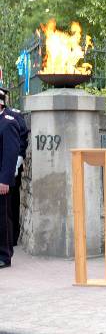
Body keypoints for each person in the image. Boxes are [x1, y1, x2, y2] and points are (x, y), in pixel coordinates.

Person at [0, 87, 29, 246]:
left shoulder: (14, 116)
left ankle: (12, 239)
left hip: (11, 168)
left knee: (10, 206)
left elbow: (21, 142)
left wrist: (16, 165)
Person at [0, 90, 20, 269]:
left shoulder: (8, 124)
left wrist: (5, 180)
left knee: (3, 218)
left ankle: (5, 255)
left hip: (1, 181)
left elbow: (10, 154)